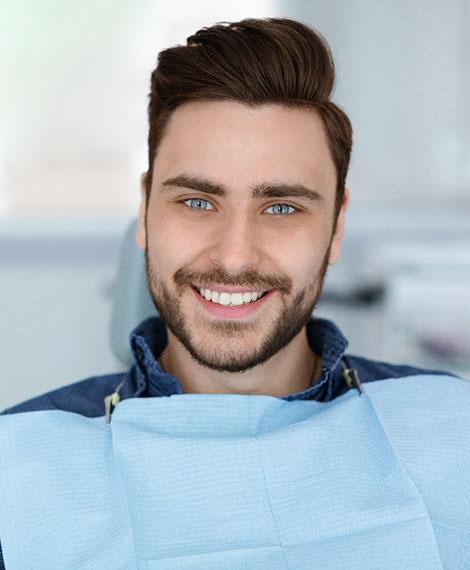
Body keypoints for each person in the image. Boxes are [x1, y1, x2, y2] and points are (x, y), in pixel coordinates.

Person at [1, 17, 469, 569]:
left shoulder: (452, 428)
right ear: (146, 211)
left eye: (282, 208)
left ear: (336, 227)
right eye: (198, 202)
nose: (234, 257)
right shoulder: (19, 463)